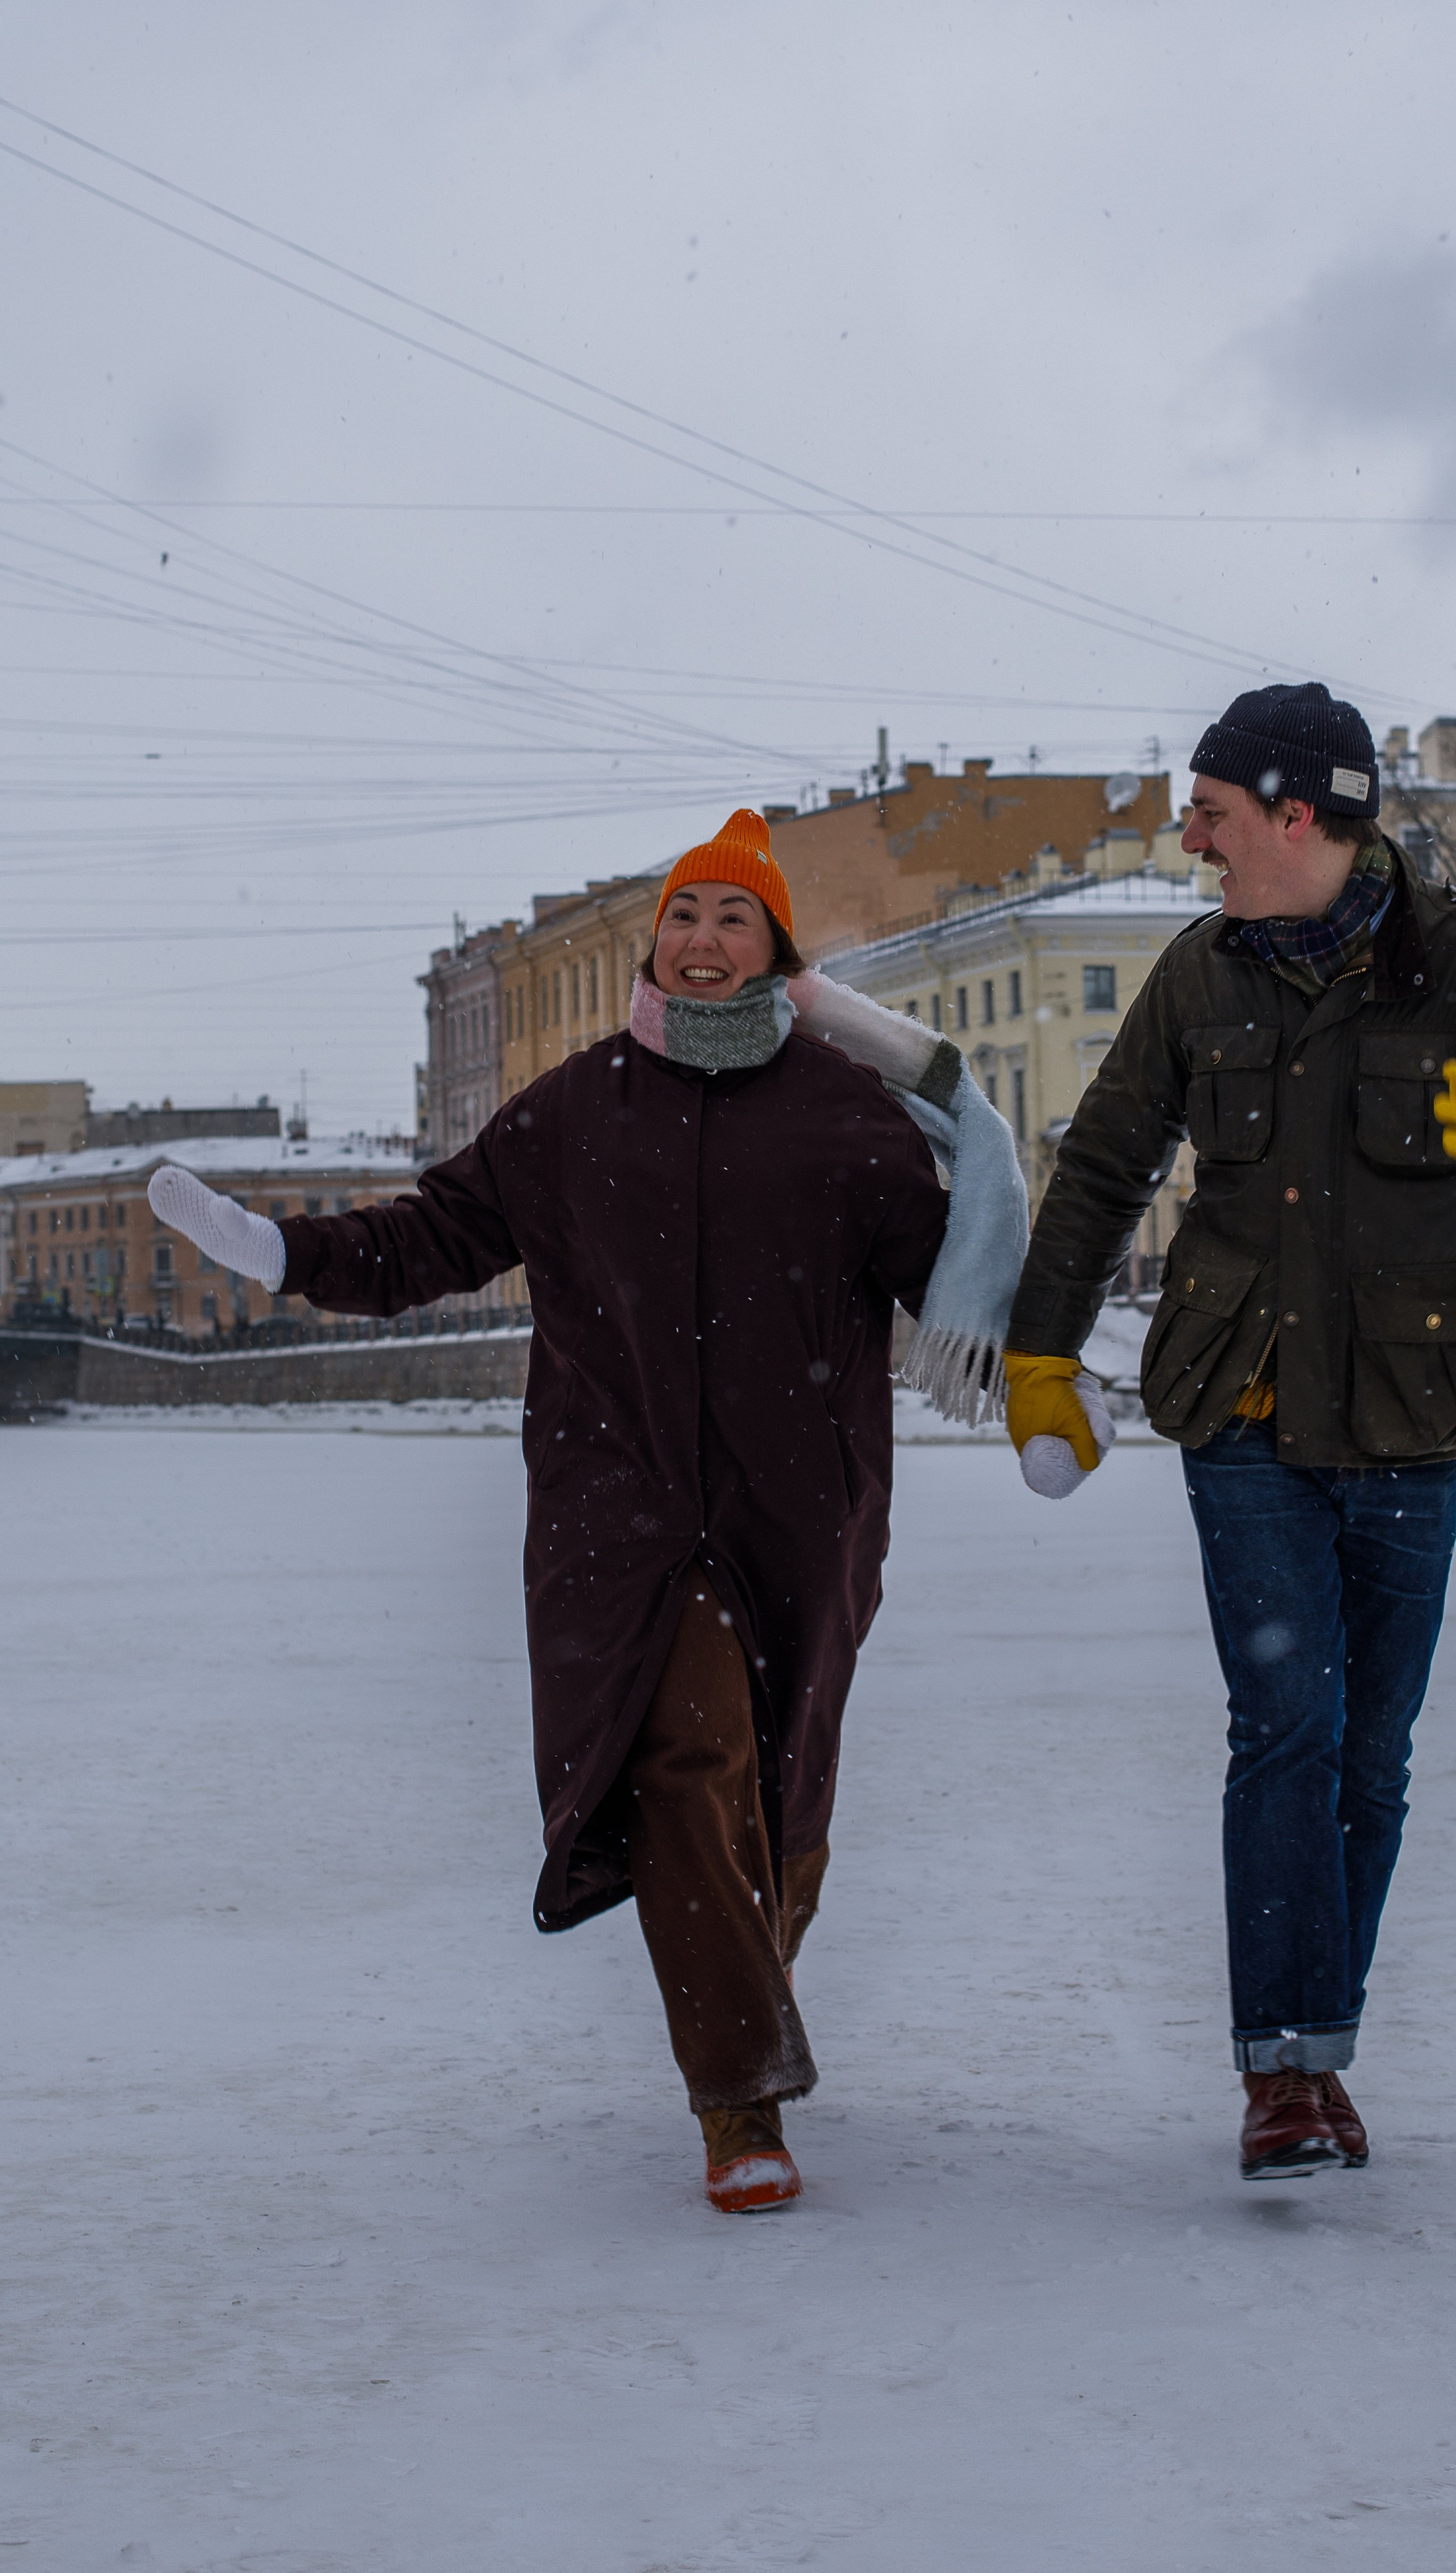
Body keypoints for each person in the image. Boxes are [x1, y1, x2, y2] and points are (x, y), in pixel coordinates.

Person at [150, 810, 1026, 2214]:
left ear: (776, 955)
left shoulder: (844, 1119)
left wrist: (1042, 1353)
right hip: (616, 1511)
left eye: (731, 920)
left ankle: (749, 1986)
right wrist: (280, 1249)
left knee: (779, 1789)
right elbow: (431, 1235)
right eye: (682, 916)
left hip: (801, 1505)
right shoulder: (573, 1111)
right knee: (683, 1758)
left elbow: (954, 1287)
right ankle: (736, 2099)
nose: (698, 941)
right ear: (653, 943)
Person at [1000, 684, 1456, 2180]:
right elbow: (1103, 1166)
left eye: (1212, 813)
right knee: (1283, 1726)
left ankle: (1317, 2037)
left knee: (1372, 1754)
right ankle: (1284, 2075)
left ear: (1298, 815)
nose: (1190, 838)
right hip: (1236, 1408)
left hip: (1412, 1413)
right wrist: (1040, 1349)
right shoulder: (1198, 974)